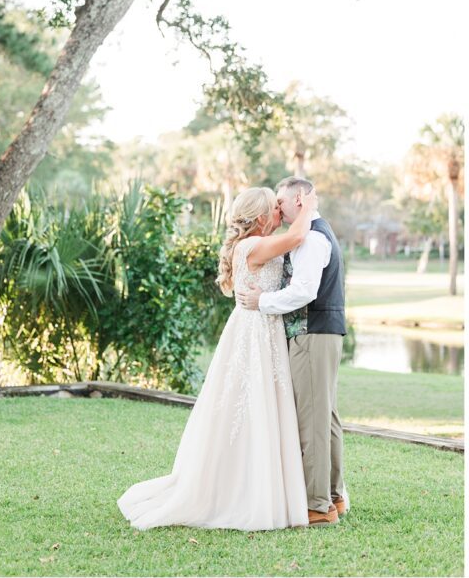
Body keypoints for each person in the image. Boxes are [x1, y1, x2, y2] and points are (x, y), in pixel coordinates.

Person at [117, 186, 317, 531]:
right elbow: (299, 233)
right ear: (258, 218)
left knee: (255, 407)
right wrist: (308, 201)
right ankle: (242, 494)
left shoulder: (249, 245)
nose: (278, 214)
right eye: (273, 208)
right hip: (255, 333)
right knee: (248, 407)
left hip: (259, 328)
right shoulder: (253, 246)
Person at [237, 176, 348, 526]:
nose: (279, 211)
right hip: (318, 331)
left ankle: (317, 505)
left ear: (299, 199)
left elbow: (304, 291)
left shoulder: (313, 238)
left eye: (282, 203)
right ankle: (333, 495)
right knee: (325, 415)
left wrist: (262, 301)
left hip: (311, 332)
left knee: (313, 418)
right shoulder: (311, 232)